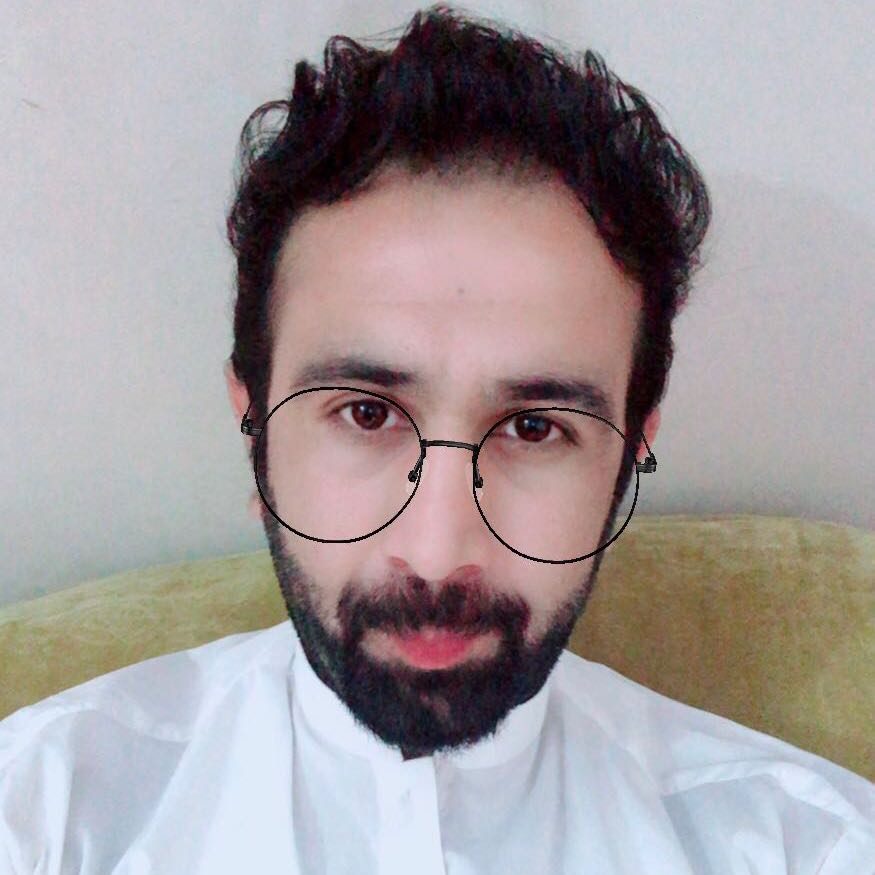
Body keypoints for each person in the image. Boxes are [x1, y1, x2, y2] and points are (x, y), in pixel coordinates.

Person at [2, 5, 873, 873]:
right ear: (254, 424)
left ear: (628, 452)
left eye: (534, 427)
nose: (435, 554)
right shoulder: (47, 812)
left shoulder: (804, 845)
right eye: (366, 413)